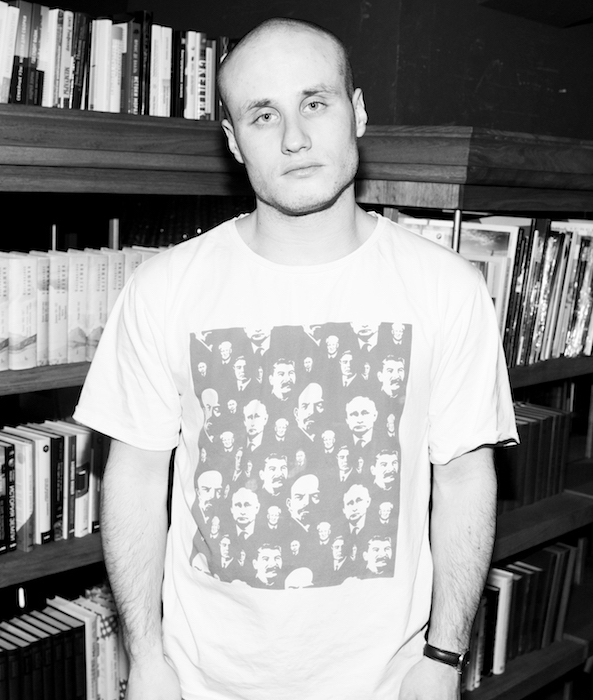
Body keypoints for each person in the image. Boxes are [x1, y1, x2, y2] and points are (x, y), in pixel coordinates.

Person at [74, 15, 517, 700]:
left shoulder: (446, 288)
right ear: (233, 141)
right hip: (202, 684)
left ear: (357, 112)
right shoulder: (163, 288)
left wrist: (443, 658)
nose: (294, 138)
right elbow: (134, 476)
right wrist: (148, 659)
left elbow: (463, 479)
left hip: (388, 685)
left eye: (315, 103)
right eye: (263, 115)